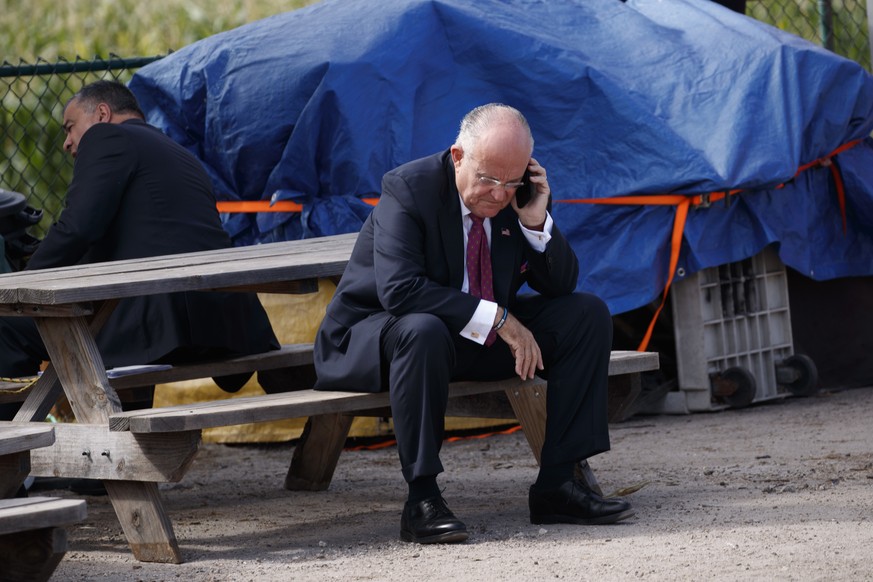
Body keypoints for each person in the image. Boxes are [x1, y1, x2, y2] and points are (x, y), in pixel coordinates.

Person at [313, 103, 634, 544]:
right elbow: (400, 291)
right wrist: (500, 317)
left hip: (461, 339)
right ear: (458, 156)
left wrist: (536, 221)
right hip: (377, 338)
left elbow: (561, 284)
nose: (499, 194)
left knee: (586, 314)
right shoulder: (409, 188)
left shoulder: (515, 197)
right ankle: (421, 500)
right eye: (488, 179)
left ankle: (559, 485)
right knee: (422, 329)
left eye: (512, 181)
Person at [0, 80, 280, 420]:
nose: (67, 142)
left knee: (5, 327)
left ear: (102, 113)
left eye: (70, 127)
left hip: (160, 321)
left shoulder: (106, 138)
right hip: (222, 323)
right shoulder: (178, 153)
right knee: (111, 319)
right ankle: (121, 445)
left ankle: (14, 454)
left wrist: (18, 289)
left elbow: (78, 228)